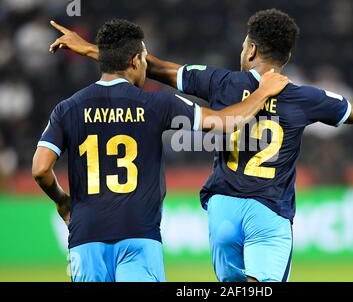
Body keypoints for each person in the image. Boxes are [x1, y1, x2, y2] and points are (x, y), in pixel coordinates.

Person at [48, 9, 353, 282]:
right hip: (268, 211)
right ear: (284, 57)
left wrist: (91, 51)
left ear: (250, 49)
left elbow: (158, 68)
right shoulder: (304, 97)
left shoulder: (222, 82)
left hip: (222, 210)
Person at [33, 19, 289, 282]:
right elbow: (224, 123)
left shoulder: (67, 108)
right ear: (135, 60)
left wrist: (63, 201)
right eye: (144, 59)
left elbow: (40, 169)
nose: (147, 65)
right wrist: (262, 93)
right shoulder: (156, 103)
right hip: (139, 236)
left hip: (84, 236)